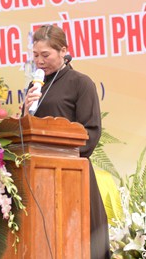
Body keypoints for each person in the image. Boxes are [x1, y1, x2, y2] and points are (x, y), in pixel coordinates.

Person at [23, 24, 111, 259]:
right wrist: (26, 111)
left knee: (77, 242)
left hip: (71, 175)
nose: (39, 61)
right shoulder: (35, 86)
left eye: (45, 55)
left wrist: (61, 155)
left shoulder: (81, 83)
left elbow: (91, 132)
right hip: (39, 177)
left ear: (63, 51)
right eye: (35, 55)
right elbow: (26, 132)